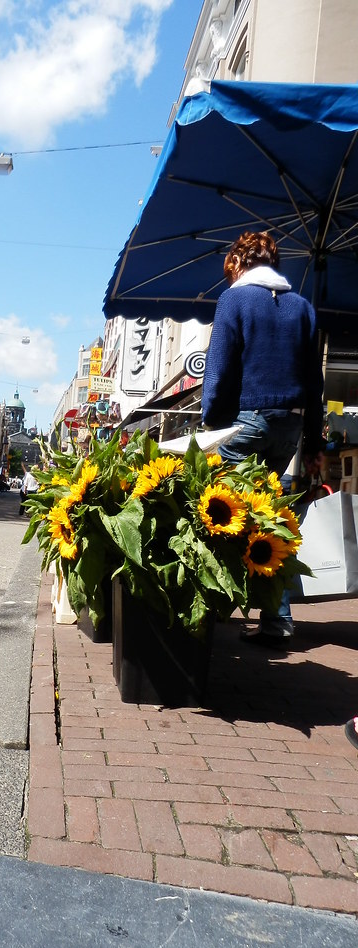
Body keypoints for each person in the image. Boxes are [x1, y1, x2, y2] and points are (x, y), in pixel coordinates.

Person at [201, 230, 324, 645]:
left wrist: (211, 426)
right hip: (288, 428)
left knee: (217, 511)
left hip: (243, 423)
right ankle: (277, 621)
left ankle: (209, 607)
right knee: (272, 519)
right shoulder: (302, 308)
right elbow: (315, 384)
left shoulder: (234, 300)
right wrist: (314, 446)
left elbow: (217, 373)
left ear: (238, 263)